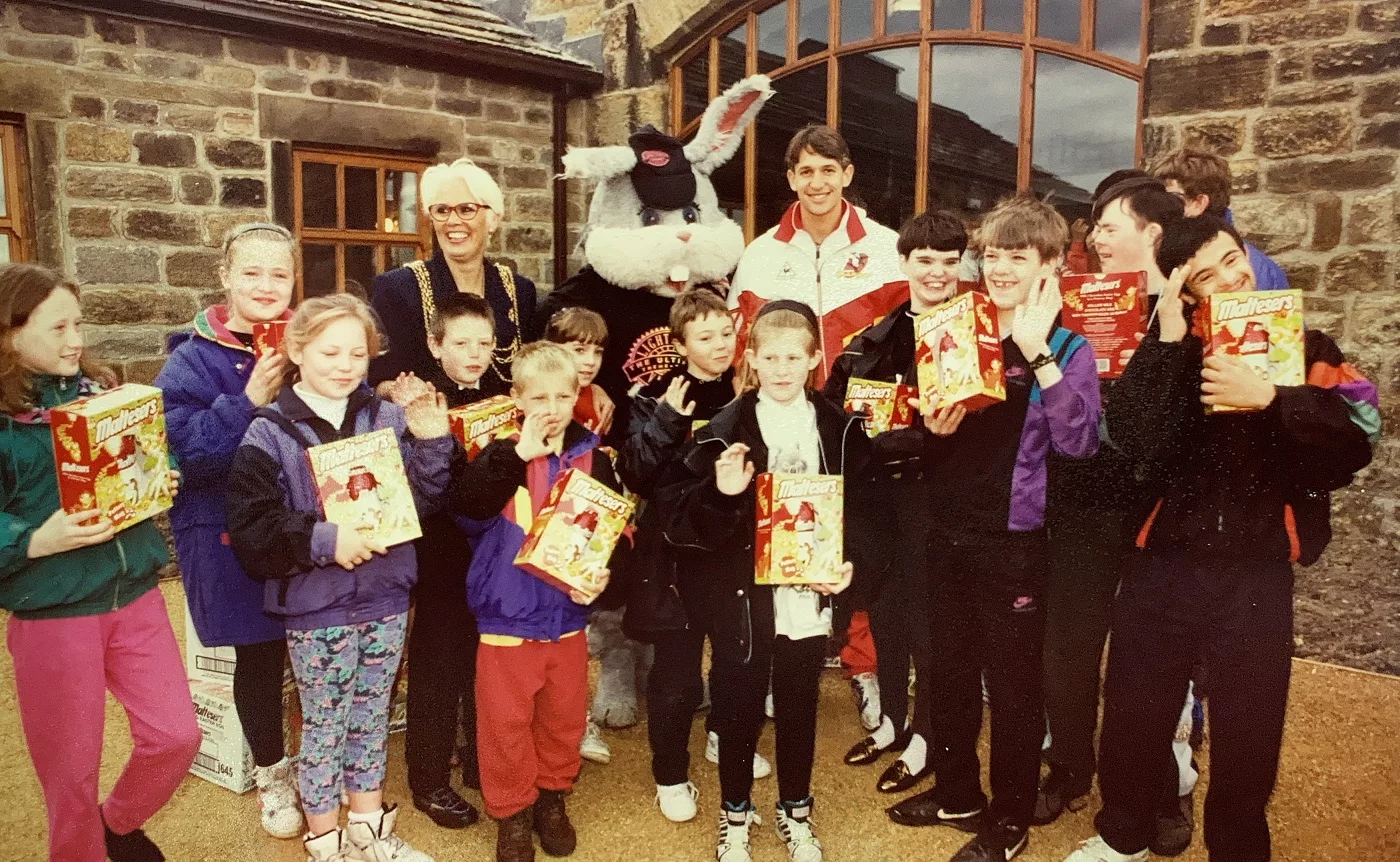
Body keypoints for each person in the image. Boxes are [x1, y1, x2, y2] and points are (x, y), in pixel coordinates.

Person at [1060, 215, 1377, 862]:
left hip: (1256, 574)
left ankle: (1237, 850)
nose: (1231, 278)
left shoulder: (1307, 346)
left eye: (1233, 260)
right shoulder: (1168, 344)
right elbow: (1124, 448)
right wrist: (1168, 344)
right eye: (1207, 274)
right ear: (1186, 288)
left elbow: (1357, 443)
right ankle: (1123, 833)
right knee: (1132, 710)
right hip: (1163, 564)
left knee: (1249, 730)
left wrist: (1272, 397)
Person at [886, 196, 1100, 862]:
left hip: (1013, 543)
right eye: (996, 254)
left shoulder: (1066, 343)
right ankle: (958, 794)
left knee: (1011, 686)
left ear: (1048, 264)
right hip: (944, 528)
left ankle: (1008, 820)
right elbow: (924, 430)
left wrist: (1037, 355)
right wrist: (927, 428)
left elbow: (1080, 442)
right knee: (946, 672)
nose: (1002, 267)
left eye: (1019, 255)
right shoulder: (956, 325)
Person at [226, 293, 453, 862]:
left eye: (358, 353)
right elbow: (255, 528)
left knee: (372, 714)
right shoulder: (268, 432)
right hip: (316, 605)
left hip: (385, 596)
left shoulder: (387, 418)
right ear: (296, 350)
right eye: (330, 351)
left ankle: (368, 829)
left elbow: (420, 503)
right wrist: (327, 541)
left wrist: (431, 443)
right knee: (324, 723)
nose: (345, 364)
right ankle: (325, 840)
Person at [0, 263, 200, 862]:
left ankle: (117, 825)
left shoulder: (103, 395)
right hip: (53, 613)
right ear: (10, 335)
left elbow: (136, 470)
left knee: (176, 736)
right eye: (57, 327)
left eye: (79, 323)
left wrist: (160, 475)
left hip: (134, 593)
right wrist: (35, 539)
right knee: (70, 777)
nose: (76, 340)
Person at [666, 300, 871, 862]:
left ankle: (795, 810)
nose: (781, 370)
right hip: (743, 598)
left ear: (814, 360)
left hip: (808, 593)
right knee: (738, 707)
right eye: (770, 358)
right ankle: (736, 812)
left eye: (793, 358)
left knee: (800, 705)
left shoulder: (840, 426)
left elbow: (868, 513)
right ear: (750, 359)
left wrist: (849, 564)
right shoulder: (720, 432)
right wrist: (722, 495)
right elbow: (681, 527)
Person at [1038, 179, 1198, 842]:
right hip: (1081, 504)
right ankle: (1070, 767)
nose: (1095, 238)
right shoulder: (1073, 306)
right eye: (1095, 227)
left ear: (1154, 235)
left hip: (1155, 513)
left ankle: (1161, 787)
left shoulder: (1191, 310)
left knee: (1153, 663)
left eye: (1110, 226)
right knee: (1067, 652)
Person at [729, 124, 902, 729]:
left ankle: (865, 669)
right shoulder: (761, 253)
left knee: (858, 540)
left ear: (848, 173)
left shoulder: (885, 247)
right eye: (805, 171)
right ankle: (780, 667)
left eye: (829, 170)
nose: (818, 182)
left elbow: (907, 340)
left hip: (857, 422)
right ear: (790, 179)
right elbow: (739, 346)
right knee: (780, 532)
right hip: (784, 416)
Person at [449, 341, 630, 862]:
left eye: (562, 396)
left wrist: (601, 578)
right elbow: (466, 510)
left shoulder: (594, 456)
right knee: (504, 725)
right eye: (538, 397)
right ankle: (512, 813)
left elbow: (613, 535)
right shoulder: (496, 452)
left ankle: (552, 798)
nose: (550, 408)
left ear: (579, 395)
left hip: (568, 619)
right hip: (506, 619)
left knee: (563, 719)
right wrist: (516, 456)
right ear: (516, 398)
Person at [155, 222, 302, 840]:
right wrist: (246, 400)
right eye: (252, 273)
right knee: (261, 655)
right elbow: (178, 452)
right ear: (225, 279)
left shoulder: (311, 338)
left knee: (320, 651)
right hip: (230, 533)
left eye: (280, 273)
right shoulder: (190, 358)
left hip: (307, 527)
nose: (266, 286)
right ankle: (273, 775)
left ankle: (323, 765)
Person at [823, 210, 968, 795]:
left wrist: (901, 440)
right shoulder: (874, 336)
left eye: (949, 262)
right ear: (904, 262)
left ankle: (929, 736)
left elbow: (968, 433)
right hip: (879, 503)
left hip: (940, 504)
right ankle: (893, 722)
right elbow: (835, 411)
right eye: (925, 260)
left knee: (933, 623)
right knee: (886, 614)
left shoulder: (970, 333)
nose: (936, 273)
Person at [615, 288, 773, 823]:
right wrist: (663, 423)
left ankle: (724, 736)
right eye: (705, 338)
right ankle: (670, 773)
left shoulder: (750, 387)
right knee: (677, 675)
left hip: (732, 549)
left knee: (736, 661)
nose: (720, 345)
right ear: (681, 344)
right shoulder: (652, 394)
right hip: (673, 558)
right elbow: (636, 473)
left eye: (727, 333)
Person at [403, 292, 506, 830]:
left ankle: (479, 758)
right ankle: (427, 777)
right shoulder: (417, 399)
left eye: (484, 343)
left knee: (487, 664)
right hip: (440, 551)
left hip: (490, 552)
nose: (474, 353)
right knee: (438, 664)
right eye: (460, 342)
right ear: (434, 344)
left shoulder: (504, 395)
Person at [370, 157, 539, 396]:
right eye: (442, 210)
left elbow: (540, 370)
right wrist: (399, 391)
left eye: (466, 209)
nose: (452, 221)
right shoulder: (398, 288)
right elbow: (376, 382)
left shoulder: (519, 291)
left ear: (493, 219)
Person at [1148, 148, 1290, 291]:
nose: (1160, 208)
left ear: (1199, 203)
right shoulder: (1174, 251)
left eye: (1170, 199)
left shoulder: (1255, 273)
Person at [544, 306, 614, 438]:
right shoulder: (536, 397)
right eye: (579, 350)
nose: (591, 361)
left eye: (598, 352)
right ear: (551, 349)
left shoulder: (593, 398)